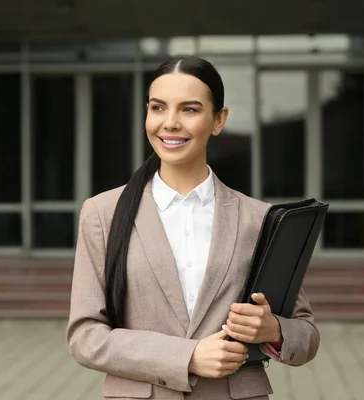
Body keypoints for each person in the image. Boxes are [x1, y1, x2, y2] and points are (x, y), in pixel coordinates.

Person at [66, 55, 319, 400]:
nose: (169, 123)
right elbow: (85, 337)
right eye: (158, 108)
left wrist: (272, 330)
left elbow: (306, 335)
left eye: (189, 109)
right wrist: (186, 357)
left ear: (218, 120)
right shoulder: (102, 213)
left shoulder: (259, 219)